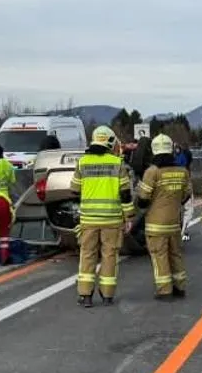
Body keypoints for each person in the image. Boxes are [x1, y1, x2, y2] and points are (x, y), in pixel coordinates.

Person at [71, 126, 135, 307]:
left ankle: (85, 295)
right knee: (109, 256)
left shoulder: (83, 162)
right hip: (112, 220)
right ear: (110, 141)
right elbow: (125, 194)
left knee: (87, 255)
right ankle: (107, 295)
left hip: (89, 220)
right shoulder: (117, 163)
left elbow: (74, 190)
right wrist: (129, 217)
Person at [135, 133, 191, 301]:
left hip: (155, 224)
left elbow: (143, 200)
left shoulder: (152, 172)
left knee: (160, 256)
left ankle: (164, 290)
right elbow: (186, 195)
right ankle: (180, 287)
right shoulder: (182, 172)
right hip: (174, 222)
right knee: (176, 254)